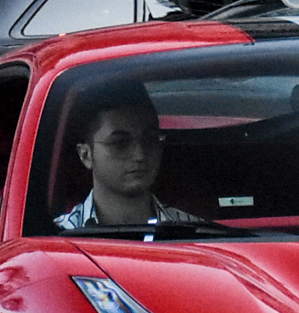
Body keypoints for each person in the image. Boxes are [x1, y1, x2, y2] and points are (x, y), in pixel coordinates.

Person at [56, 77, 205, 230]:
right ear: (86, 155)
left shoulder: (195, 232)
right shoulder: (56, 238)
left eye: (150, 139)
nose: (140, 155)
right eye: (120, 143)